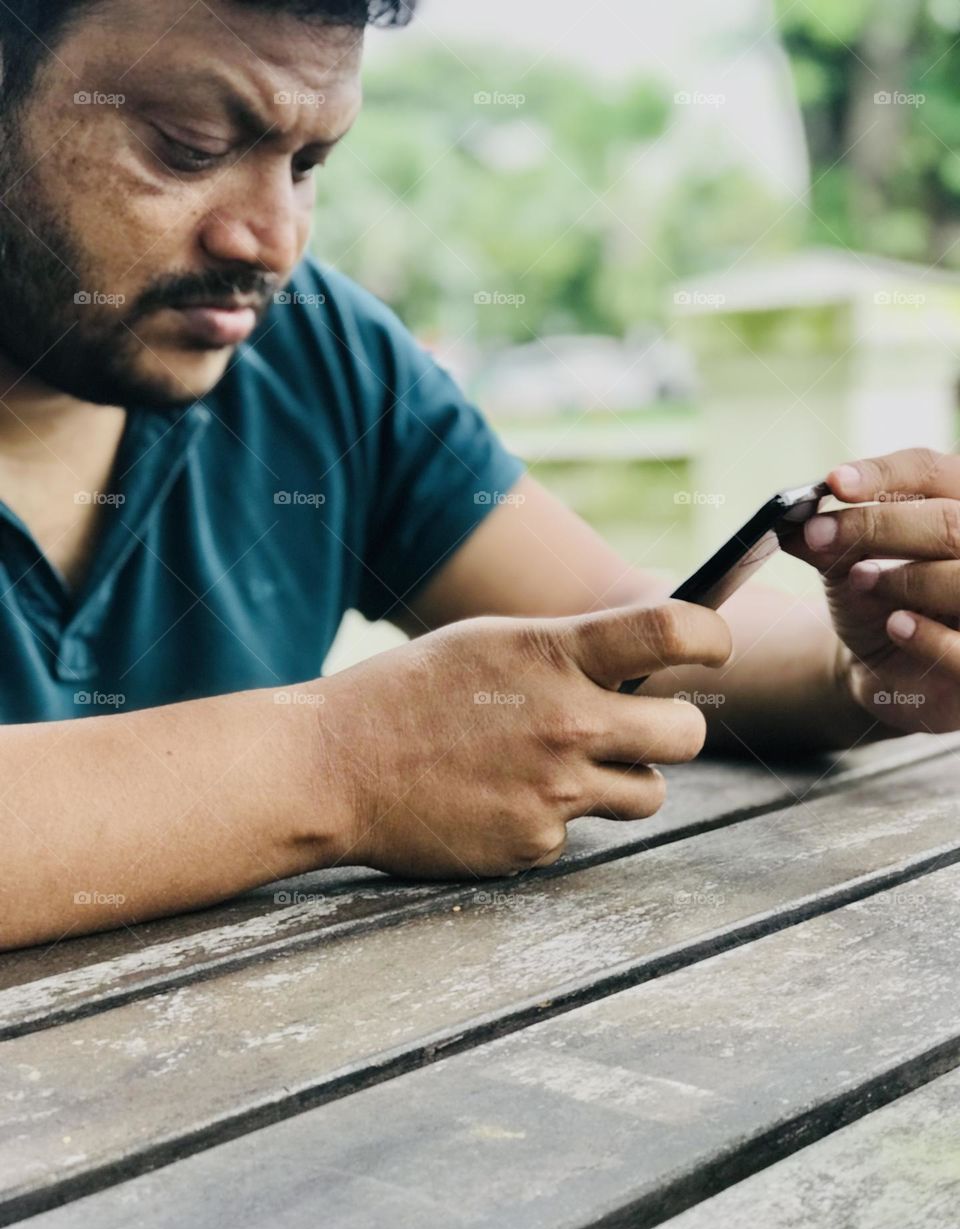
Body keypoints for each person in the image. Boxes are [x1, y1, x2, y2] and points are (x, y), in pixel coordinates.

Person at [0, 0, 956, 951]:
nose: (272, 240)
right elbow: (361, 756)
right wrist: (342, 764)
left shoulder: (309, 351)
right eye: (191, 148)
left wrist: (866, 666)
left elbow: (600, 617)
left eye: (308, 165)